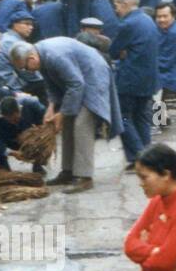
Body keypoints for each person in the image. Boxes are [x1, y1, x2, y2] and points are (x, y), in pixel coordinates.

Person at [9, 36, 123, 193]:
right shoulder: (41, 56)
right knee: (68, 125)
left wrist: (61, 114)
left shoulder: (54, 56)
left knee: (81, 125)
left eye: (25, 67)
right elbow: (51, 85)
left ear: (32, 58)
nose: (26, 71)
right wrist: (51, 107)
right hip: (78, 79)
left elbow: (76, 84)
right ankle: (68, 171)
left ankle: (84, 177)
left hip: (93, 75)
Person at [111, 0, 159, 170]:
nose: (116, 9)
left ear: (125, 3)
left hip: (130, 79)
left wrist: (124, 53)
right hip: (148, 79)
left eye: (116, 5)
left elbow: (114, 51)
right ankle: (146, 154)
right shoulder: (147, 19)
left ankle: (140, 157)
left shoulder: (127, 24)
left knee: (123, 118)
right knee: (142, 117)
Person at [0, 93, 46, 170]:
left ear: (19, 110)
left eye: (15, 119)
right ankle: (4, 169)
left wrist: (38, 130)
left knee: (43, 139)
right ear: (3, 116)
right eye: (9, 120)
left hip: (29, 135)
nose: (13, 122)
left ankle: (37, 164)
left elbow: (46, 119)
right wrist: (11, 152)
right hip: (9, 139)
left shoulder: (32, 104)